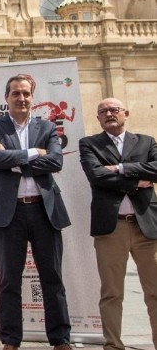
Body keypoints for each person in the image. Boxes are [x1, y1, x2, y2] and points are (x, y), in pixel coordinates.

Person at [0, 74, 72, 350]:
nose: (21, 98)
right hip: (9, 214)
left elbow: (56, 161)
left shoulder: (47, 126)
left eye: (26, 94)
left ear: (32, 97)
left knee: (52, 278)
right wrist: (35, 152)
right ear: (6, 97)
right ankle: (10, 340)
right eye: (15, 94)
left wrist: (16, 161)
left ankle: (60, 339)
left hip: (44, 210)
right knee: (9, 280)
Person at [79, 98, 157, 350]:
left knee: (155, 292)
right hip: (111, 229)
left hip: (147, 227)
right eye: (103, 111)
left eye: (114, 110)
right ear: (98, 118)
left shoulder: (146, 142)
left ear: (126, 113)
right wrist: (136, 181)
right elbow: (96, 175)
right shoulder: (89, 144)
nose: (109, 114)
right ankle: (113, 345)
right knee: (112, 293)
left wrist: (121, 167)